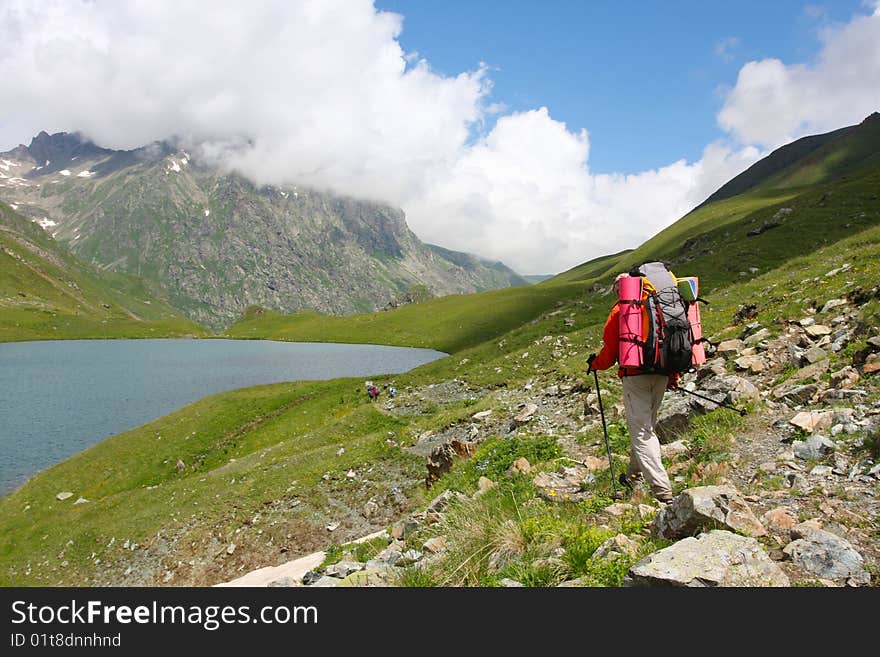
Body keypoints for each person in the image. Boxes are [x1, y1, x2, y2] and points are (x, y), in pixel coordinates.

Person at [587, 273, 677, 505]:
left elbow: (610, 351)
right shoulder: (659, 305)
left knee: (641, 432)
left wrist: (595, 364)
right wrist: (673, 375)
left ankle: (662, 489)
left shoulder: (622, 310)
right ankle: (633, 475)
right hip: (662, 373)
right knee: (648, 427)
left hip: (635, 376)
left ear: (621, 289)